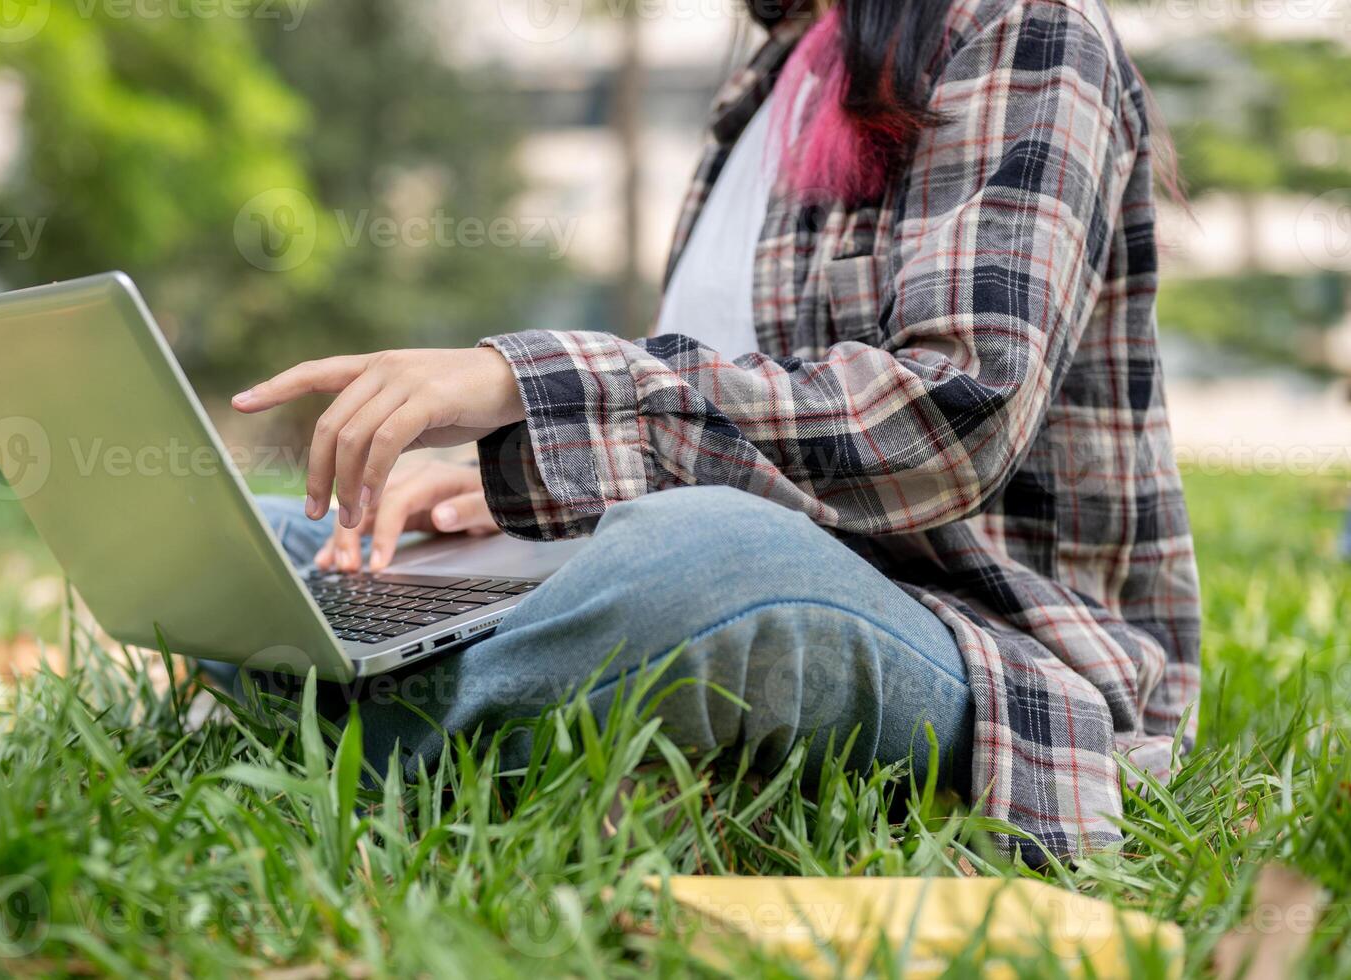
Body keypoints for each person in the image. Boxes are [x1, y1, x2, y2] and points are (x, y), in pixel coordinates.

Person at [227, 0, 1201, 864]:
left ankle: (328, 731)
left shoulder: (1022, 24)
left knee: (696, 558)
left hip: (971, 641)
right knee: (276, 545)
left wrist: (524, 382)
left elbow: (948, 421)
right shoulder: (772, 71)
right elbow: (732, 417)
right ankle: (392, 683)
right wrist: (523, 491)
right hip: (732, 548)